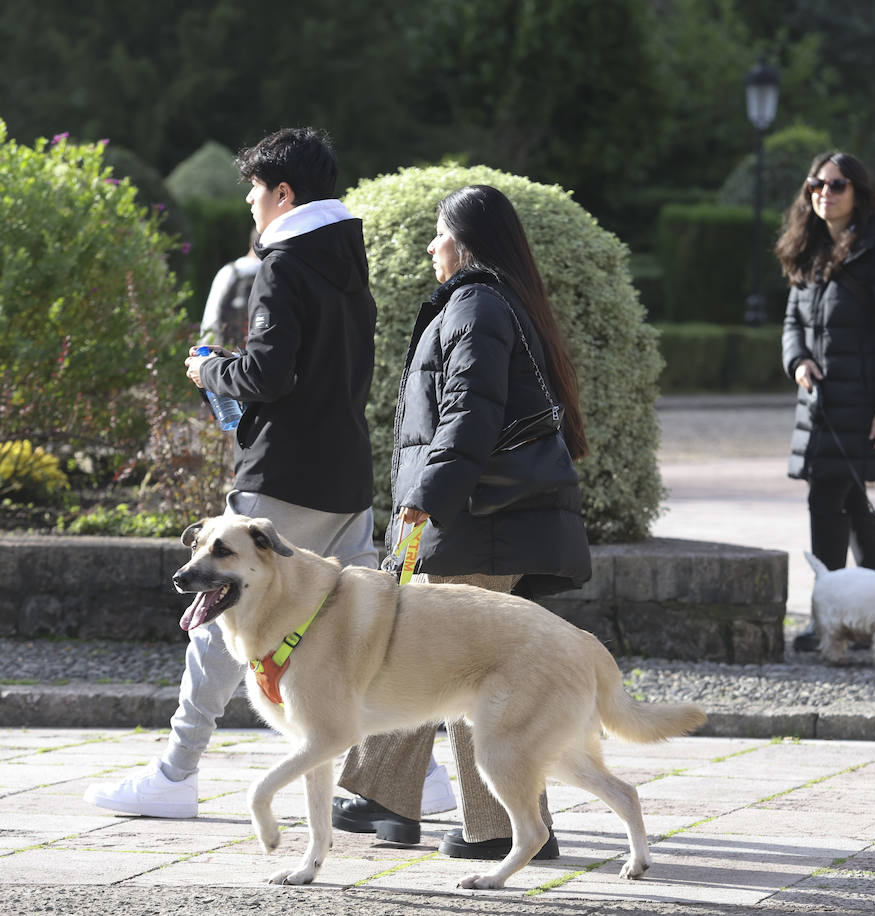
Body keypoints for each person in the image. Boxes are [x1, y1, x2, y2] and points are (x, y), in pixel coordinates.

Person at [84, 127, 389, 818]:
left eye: (255, 191)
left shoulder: (284, 264)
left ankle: (175, 772)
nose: (250, 204)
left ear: (284, 194)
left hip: (282, 477)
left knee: (219, 623)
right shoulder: (348, 260)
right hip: (346, 474)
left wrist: (209, 368)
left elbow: (268, 373)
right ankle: (404, 776)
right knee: (370, 629)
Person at [331, 185, 592, 861]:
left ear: (465, 243)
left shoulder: (477, 303)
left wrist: (426, 498)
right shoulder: (492, 302)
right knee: (457, 665)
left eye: (438, 234)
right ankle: (476, 821)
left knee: (425, 656)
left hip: (471, 520)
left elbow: (469, 414)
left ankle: (395, 800)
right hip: (475, 520)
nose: (430, 246)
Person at [778, 152, 875, 652]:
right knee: (851, 500)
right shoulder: (810, 248)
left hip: (863, 404)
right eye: (817, 183)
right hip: (821, 403)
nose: (825, 193)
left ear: (859, 193)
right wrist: (797, 361)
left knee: (827, 498)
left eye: (837, 185)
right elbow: (793, 321)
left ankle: (829, 619)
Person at [197, 230, 261, 350]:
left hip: (227, 357)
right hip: (249, 355)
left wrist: (204, 352)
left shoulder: (228, 272)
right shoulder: (273, 274)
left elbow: (210, 319)